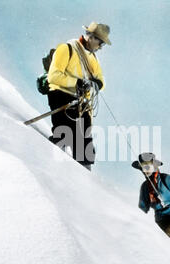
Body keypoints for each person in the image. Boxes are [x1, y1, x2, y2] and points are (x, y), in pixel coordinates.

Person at [47, 22, 111, 171]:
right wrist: (76, 83)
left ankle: (84, 184)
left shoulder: (93, 58)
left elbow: (101, 80)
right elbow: (53, 77)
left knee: (85, 148)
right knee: (63, 135)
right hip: (61, 97)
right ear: (91, 37)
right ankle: (50, 169)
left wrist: (97, 83)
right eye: (100, 42)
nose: (101, 47)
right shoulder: (66, 49)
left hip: (82, 104)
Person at [132, 153, 170, 242]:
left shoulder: (167, 179)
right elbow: (142, 209)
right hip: (159, 220)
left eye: (148, 167)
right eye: (143, 167)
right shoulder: (145, 187)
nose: (145, 170)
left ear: (154, 166)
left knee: (168, 240)